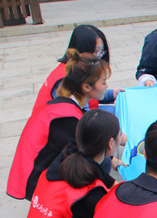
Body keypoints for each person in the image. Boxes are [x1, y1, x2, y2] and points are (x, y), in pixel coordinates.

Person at [7, 49, 111, 201]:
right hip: (35, 182)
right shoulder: (67, 119)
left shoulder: (65, 105)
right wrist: (112, 184)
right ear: (86, 87)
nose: (106, 86)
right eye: (103, 82)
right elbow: (86, 158)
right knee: (102, 161)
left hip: (35, 172)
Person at [32, 24, 120, 115]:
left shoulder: (77, 69)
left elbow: (93, 93)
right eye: (97, 51)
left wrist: (112, 94)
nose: (100, 56)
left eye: (102, 51)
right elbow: (83, 116)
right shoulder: (66, 78)